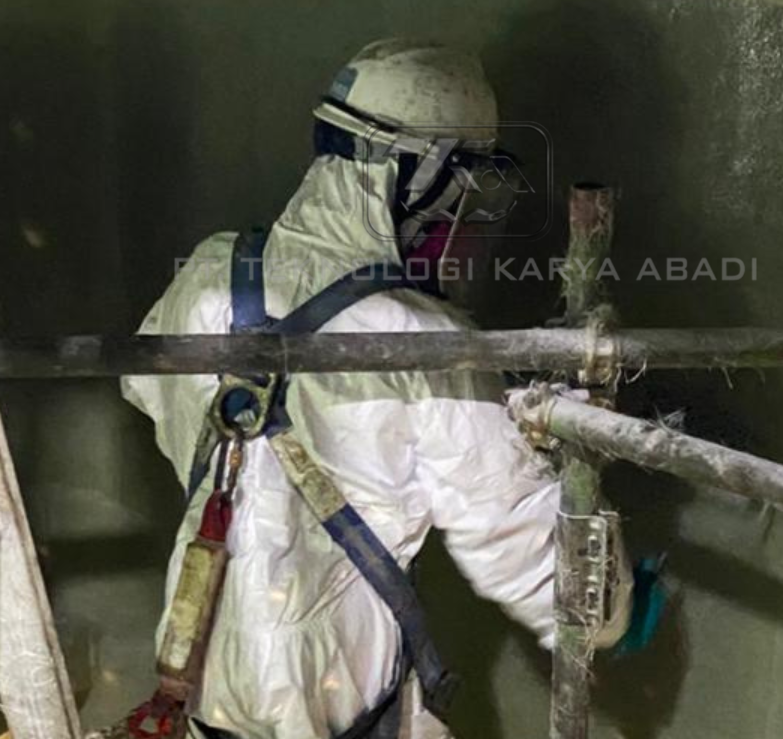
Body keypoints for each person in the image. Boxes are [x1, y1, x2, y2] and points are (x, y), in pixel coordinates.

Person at [122, 39, 632, 739]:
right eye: (465, 188)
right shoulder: (422, 337)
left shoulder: (208, 271)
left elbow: (144, 386)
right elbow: (526, 548)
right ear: (417, 179)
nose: (465, 218)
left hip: (203, 690)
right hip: (342, 710)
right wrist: (616, 609)